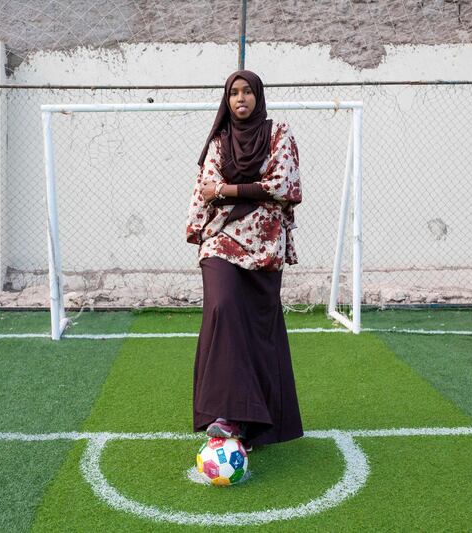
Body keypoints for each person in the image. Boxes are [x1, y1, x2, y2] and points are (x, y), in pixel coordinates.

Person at [185, 70, 304, 451]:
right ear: (226, 99)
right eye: (234, 92)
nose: (241, 98)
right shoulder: (219, 142)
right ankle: (224, 415)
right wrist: (235, 193)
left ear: (258, 96)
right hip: (221, 240)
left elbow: (283, 185)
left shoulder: (279, 135)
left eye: (248, 92)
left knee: (257, 328)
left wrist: (228, 189)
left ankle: (254, 423)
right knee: (222, 308)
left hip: (265, 246)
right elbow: (206, 188)